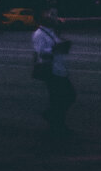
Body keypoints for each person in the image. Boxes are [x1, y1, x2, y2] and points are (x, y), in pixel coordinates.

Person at [32, 8, 75, 136]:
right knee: (66, 96)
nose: (54, 19)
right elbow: (41, 53)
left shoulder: (51, 32)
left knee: (62, 98)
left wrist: (63, 44)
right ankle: (55, 122)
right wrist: (56, 48)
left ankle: (56, 122)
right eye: (50, 17)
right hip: (51, 71)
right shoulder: (39, 34)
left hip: (59, 69)